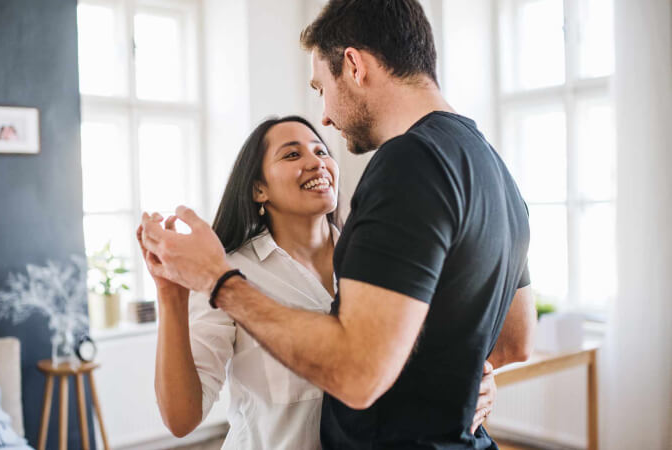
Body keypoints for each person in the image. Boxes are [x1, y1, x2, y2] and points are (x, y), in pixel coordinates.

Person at [139, 0, 536, 448]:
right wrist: (457, 388)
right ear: (257, 189)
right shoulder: (493, 167)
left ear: (353, 65)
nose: (325, 117)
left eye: (320, 87)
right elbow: (512, 341)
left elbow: (359, 372)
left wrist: (219, 281)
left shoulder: (408, 163)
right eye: (292, 153)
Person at [136, 116, 498, 449]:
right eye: (292, 154)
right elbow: (182, 419)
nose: (316, 162)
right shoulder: (225, 273)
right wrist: (170, 296)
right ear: (259, 189)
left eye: (321, 151)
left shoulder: (380, 260)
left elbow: (414, 356)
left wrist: (473, 385)